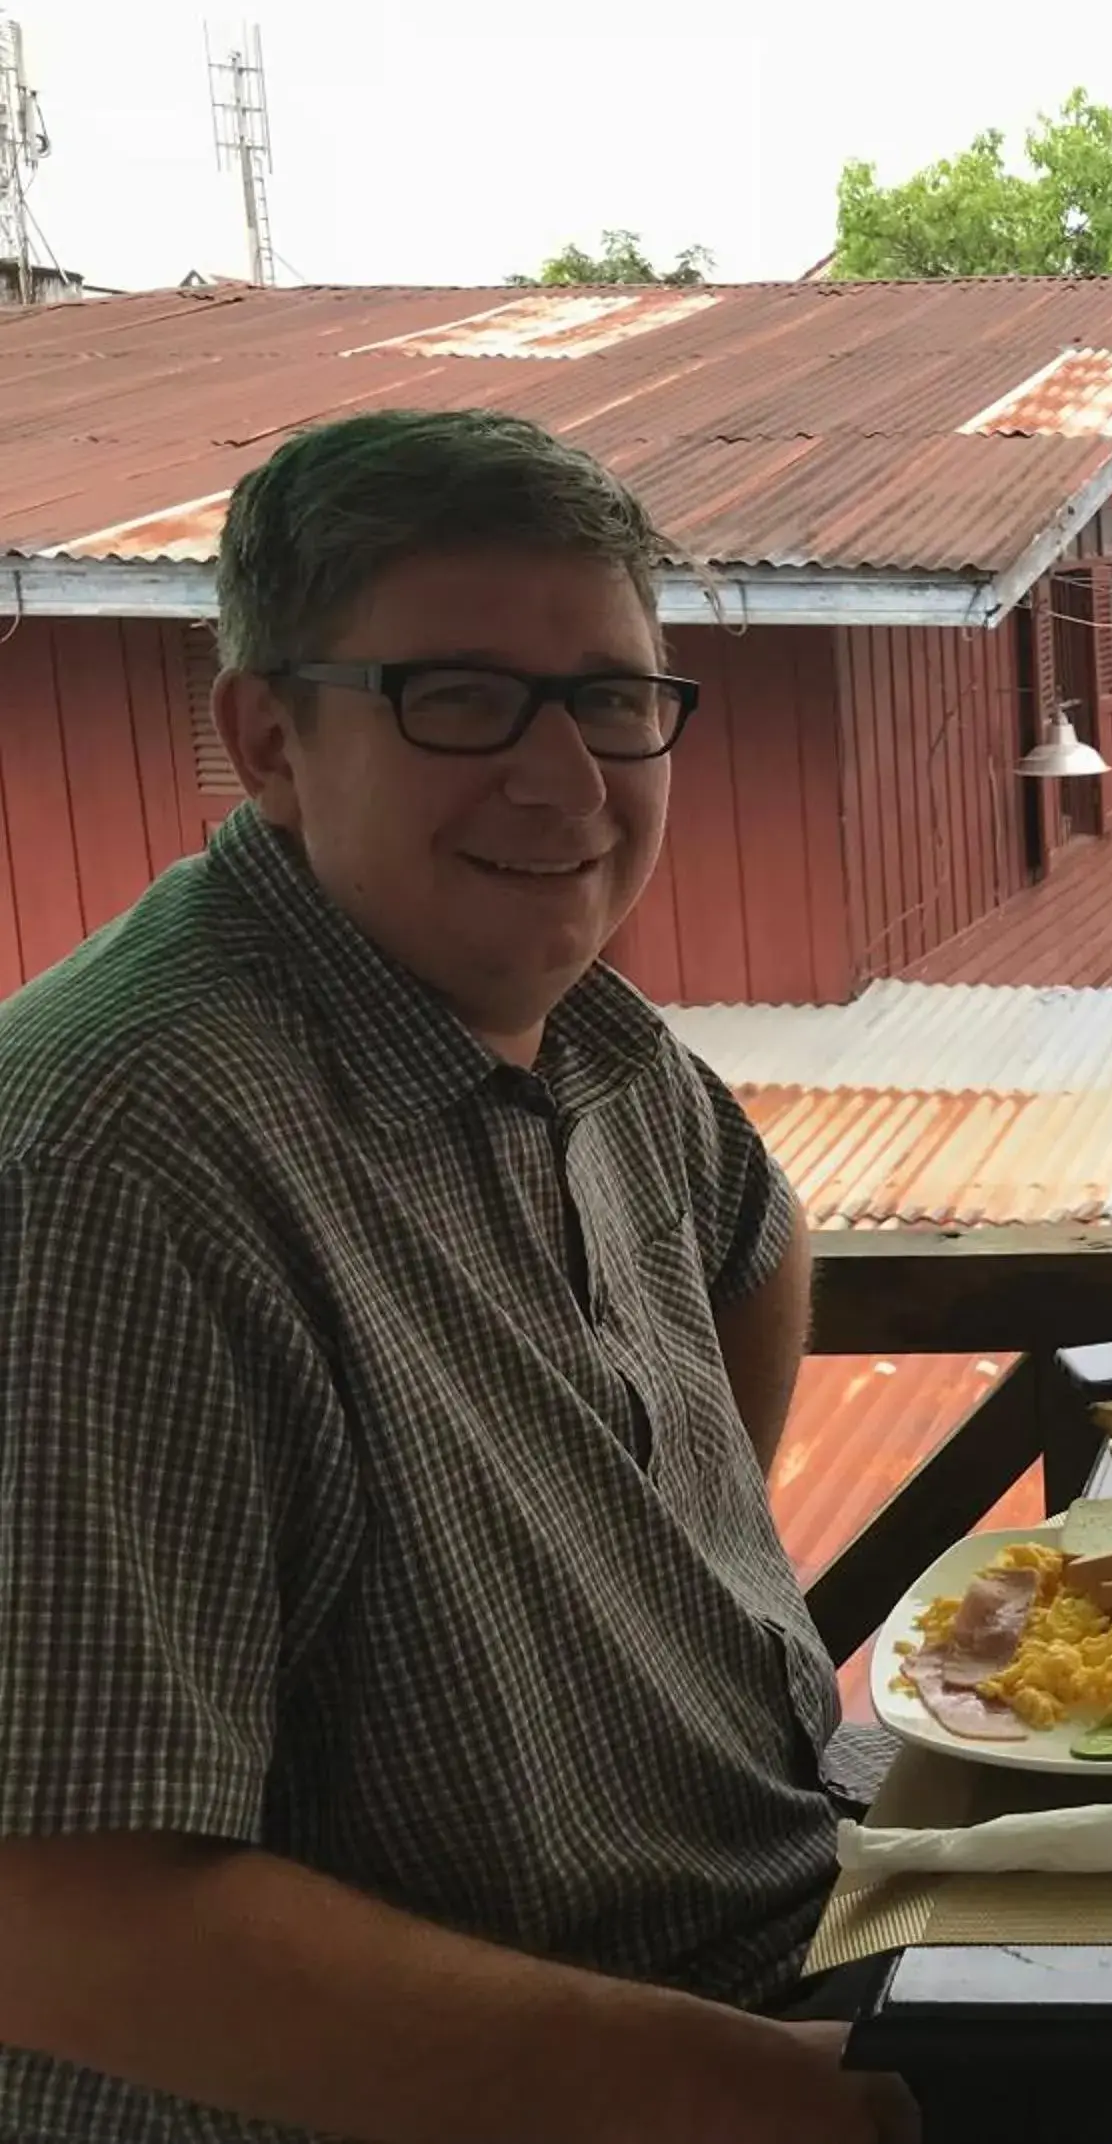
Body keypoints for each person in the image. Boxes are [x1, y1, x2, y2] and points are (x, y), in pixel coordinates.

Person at [0, 411, 916, 2143]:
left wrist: (684, 1579)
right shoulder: (114, 1163)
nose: (565, 779)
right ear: (268, 737)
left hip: (789, 1929)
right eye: (462, 697)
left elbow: (757, 1233)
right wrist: (768, 2098)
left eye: (611, 697)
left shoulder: (594, 1041)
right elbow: (57, 1916)